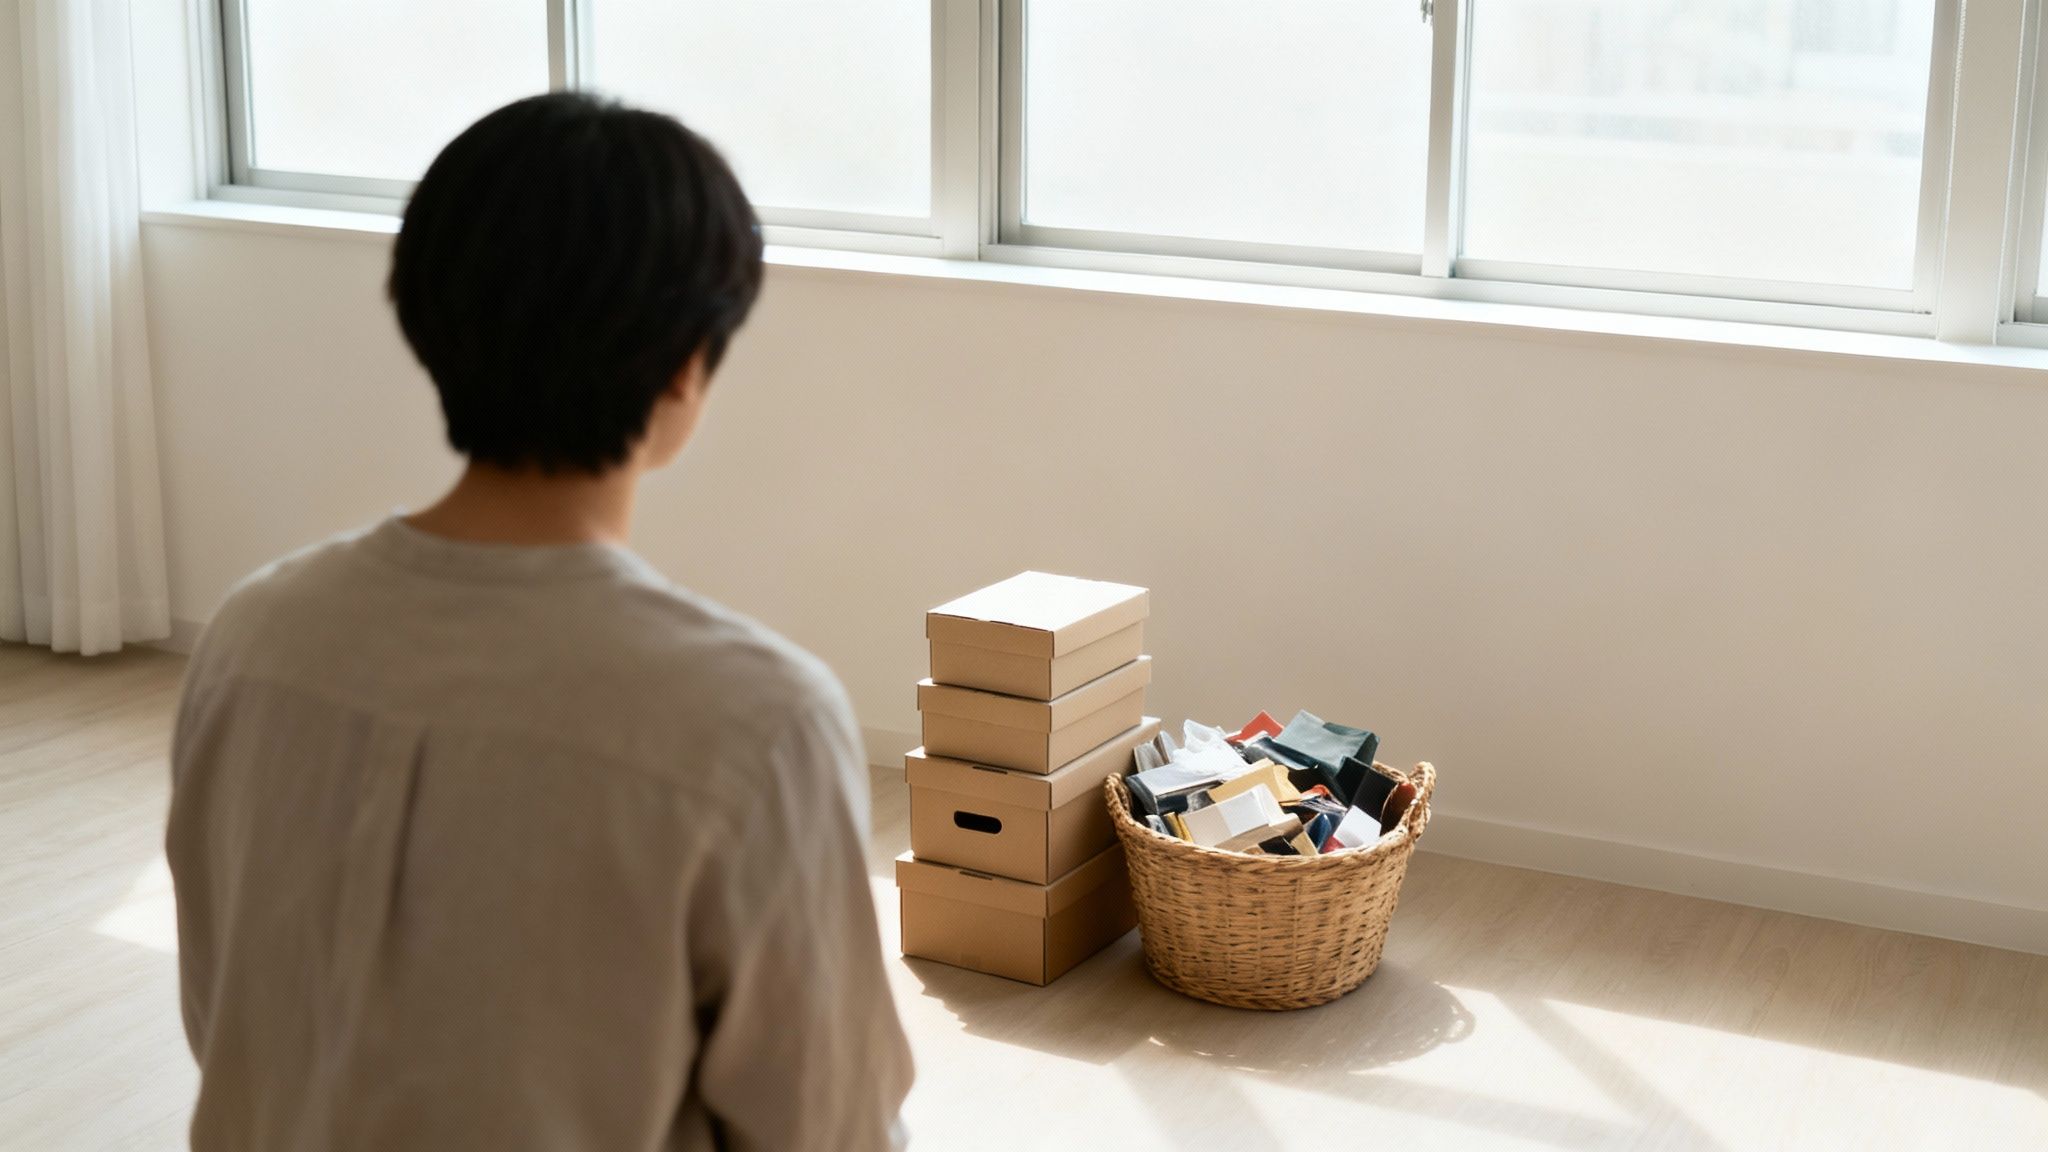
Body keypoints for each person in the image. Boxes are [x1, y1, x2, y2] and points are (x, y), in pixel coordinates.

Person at [166, 92, 913, 1151]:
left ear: (424, 317)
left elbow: (228, 1023)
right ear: (686, 365)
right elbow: (826, 1128)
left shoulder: (250, 638)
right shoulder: (755, 721)